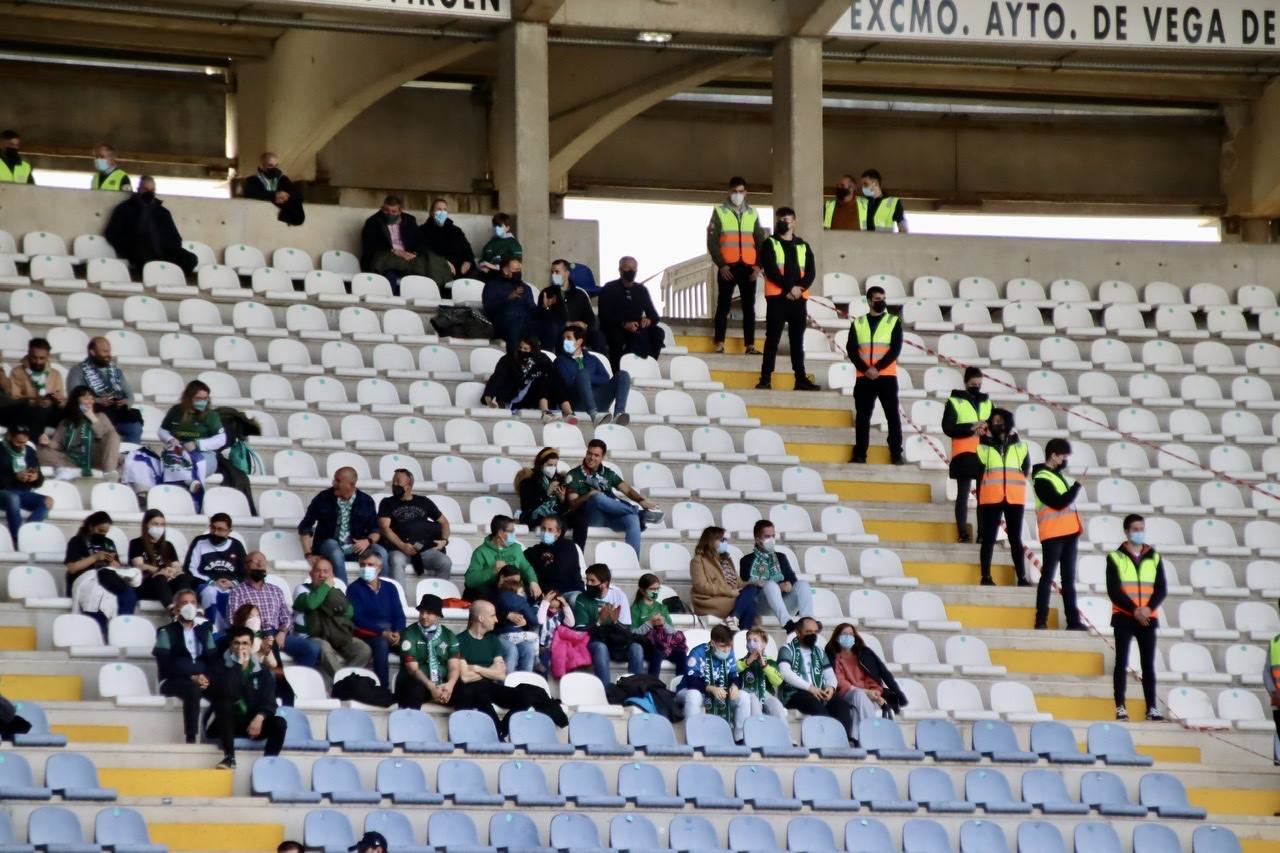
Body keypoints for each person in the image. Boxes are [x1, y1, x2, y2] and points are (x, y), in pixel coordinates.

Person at [452, 600, 567, 733]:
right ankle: (497, 732)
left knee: (532, 692)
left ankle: (503, 728)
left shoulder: (492, 640)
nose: (496, 620)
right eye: (492, 616)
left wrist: (477, 668)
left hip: (489, 687)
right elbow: (465, 676)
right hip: (469, 690)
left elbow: (501, 674)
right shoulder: (459, 640)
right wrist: (490, 671)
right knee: (479, 692)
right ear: (481, 618)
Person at [1107, 514, 1166, 722]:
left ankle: (1151, 707)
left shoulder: (1154, 556)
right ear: (1126, 531)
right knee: (1121, 662)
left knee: (1148, 664)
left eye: (1142, 528)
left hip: (1148, 618)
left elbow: (1161, 588)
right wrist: (1135, 610)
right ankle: (1120, 706)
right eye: (1135, 528)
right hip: (1124, 617)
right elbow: (1114, 590)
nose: (1139, 532)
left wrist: (1148, 609)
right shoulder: (1115, 557)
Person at [756, 206, 819, 392]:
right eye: (780, 219)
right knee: (772, 339)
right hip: (777, 298)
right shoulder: (770, 244)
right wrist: (789, 288)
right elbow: (771, 270)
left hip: (799, 300)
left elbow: (810, 272)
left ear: (794, 222)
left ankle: (800, 379)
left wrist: (800, 289)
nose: (783, 223)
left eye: (787, 219)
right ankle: (765, 379)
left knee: (797, 341)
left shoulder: (803, 245)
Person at [207, 625, 287, 769]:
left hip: (252, 723)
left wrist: (259, 717)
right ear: (231, 645)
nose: (240, 647)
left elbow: (269, 702)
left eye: (245, 643)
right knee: (224, 705)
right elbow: (227, 692)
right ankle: (229, 758)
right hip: (226, 724)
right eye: (236, 643)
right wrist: (238, 667)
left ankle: (268, 765)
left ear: (251, 646)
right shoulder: (220, 667)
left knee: (279, 723)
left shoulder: (262, 671)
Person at [564, 439, 662, 556]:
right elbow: (573, 505)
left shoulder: (608, 473)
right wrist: (588, 495)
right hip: (592, 517)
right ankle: (638, 513)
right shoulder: (574, 474)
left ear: (602, 457)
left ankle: (632, 561)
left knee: (632, 519)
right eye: (589, 453)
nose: (591, 457)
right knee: (598, 497)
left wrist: (641, 500)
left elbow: (627, 490)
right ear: (586, 453)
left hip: (611, 516)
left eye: (596, 455)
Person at [228, 550, 321, 669]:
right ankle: (278, 681)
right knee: (269, 650)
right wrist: (256, 637)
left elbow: (286, 616)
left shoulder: (275, 590)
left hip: (278, 634)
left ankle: (299, 680)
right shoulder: (237, 592)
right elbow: (233, 620)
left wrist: (283, 632)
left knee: (312, 648)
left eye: (262, 562)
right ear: (246, 566)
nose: (260, 565)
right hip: (255, 636)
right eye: (256, 562)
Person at [707, 176, 767, 355]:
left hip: (749, 268)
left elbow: (761, 242)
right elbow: (712, 242)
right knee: (723, 305)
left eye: (741, 191)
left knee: (749, 307)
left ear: (746, 192)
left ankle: (750, 345)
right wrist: (722, 265)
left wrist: (758, 266)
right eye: (734, 191)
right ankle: (719, 343)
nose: (738, 195)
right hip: (728, 267)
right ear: (729, 192)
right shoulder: (719, 212)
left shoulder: (753, 213)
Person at [298, 467, 388, 583]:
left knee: (381, 552)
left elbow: (375, 530)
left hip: (357, 548)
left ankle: (382, 591)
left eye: (338, 481)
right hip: (329, 547)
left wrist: (367, 541)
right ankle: (343, 592)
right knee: (334, 548)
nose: (333, 483)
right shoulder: (323, 498)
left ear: (351, 484)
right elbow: (305, 527)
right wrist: (309, 555)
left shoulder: (366, 501)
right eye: (335, 480)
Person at [153, 588, 218, 744]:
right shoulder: (166, 632)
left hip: (202, 678)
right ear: (176, 608)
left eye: (193, 602)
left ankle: (218, 735)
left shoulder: (204, 631)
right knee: (192, 689)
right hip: (173, 680)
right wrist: (191, 676)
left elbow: (213, 658)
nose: (189, 606)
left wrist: (206, 677)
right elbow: (165, 662)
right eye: (184, 602)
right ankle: (191, 737)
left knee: (226, 688)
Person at [1034, 438, 1086, 631]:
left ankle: (1073, 621)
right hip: (1053, 534)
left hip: (1069, 532)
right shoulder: (1041, 478)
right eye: (1062, 455)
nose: (1064, 459)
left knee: (1068, 580)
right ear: (1053, 455)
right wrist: (1077, 486)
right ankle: (1041, 619)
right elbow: (1059, 502)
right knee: (1048, 577)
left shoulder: (1055, 475)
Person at [292, 558, 373, 681]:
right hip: (311, 637)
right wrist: (325, 588)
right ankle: (342, 684)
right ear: (311, 574)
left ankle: (347, 681)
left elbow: (349, 612)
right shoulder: (301, 589)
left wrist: (326, 598)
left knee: (363, 650)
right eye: (318, 571)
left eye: (326, 571)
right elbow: (311, 604)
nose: (322, 575)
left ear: (332, 575)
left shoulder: (336, 592)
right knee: (324, 647)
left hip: (336, 635)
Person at [849, 284, 904, 464]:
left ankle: (896, 453)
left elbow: (895, 349)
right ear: (869, 301)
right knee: (863, 418)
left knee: (892, 416)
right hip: (864, 378)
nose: (881, 302)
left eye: (883, 299)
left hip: (886, 376)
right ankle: (860, 454)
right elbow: (852, 350)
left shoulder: (893, 321)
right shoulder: (858, 323)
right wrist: (867, 370)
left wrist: (877, 368)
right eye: (877, 299)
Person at [976, 408, 1031, 587]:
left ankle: (1022, 577)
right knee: (989, 538)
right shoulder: (983, 445)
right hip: (991, 498)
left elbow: (1025, 469)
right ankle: (985, 576)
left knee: (1015, 538)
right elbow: (977, 468)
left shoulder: (1021, 446)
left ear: (1007, 423)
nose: (997, 424)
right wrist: (981, 436)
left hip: (1014, 498)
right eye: (994, 421)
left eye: (1000, 421)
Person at [826, 623, 907, 740]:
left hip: (869, 695)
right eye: (844, 634)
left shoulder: (864, 654)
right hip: (845, 694)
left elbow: (875, 676)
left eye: (850, 634)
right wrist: (865, 692)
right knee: (859, 695)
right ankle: (873, 736)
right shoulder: (831, 655)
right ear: (837, 637)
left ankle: (856, 739)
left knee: (856, 711)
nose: (848, 637)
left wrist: (875, 693)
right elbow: (839, 681)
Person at [103, 176, 198, 274]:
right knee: (143, 256)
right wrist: (127, 246)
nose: (149, 193)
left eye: (152, 190)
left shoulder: (162, 212)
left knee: (190, 259)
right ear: (138, 189)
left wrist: (170, 247)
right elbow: (111, 233)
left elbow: (175, 237)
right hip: (137, 250)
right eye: (146, 189)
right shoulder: (124, 209)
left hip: (163, 251)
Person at [778, 617, 853, 737]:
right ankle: (829, 738)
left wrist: (831, 688)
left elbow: (830, 675)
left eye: (815, 632)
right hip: (795, 694)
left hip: (819, 692)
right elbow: (784, 672)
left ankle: (845, 740)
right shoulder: (787, 649)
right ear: (798, 632)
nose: (813, 635)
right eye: (808, 632)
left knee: (842, 706)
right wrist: (810, 688)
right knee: (815, 705)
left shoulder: (819, 651)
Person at [66, 512, 139, 632]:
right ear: (91, 527)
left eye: (105, 532)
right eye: (100, 531)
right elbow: (72, 568)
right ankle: (101, 635)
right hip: (87, 580)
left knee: (129, 595)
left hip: (109, 579)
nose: (103, 535)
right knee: (97, 597)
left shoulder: (108, 543)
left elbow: (117, 566)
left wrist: (112, 562)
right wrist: (94, 558)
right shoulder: (77, 541)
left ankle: (121, 630)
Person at [941, 367, 991, 542]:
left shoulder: (987, 402)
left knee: (983, 497)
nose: (976, 387)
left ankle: (982, 535)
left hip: (984, 453)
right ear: (966, 383)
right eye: (973, 384)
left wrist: (987, 429)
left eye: (979, 384)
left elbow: (997, 427)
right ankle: (962, 533)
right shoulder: (955, 401)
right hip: (963, 452)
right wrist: (971, 427)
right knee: (963, 494)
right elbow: (948, 427)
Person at [573, 563, 645, 685]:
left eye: (592, 581)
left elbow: (627, 631)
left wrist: (615, 622)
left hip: (616, 640)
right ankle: (605, 692)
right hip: (594, 640)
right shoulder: (582, 598)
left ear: (604, 583)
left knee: (636, 648)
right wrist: (599, 621)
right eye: (587, 580)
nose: (588, 584)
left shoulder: (618, 595)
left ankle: (635, 691)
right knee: (601, 648)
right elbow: (581, 633)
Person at [377, 468, 451, 582]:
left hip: (423, 548)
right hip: (399, 549)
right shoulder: (387, 503)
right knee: (396, 560)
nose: (394, 485)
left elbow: (444, 522)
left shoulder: (424, 501)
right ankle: (401, 598)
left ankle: (439, 597)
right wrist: (403, 546)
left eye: (398, 482)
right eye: (393, 482)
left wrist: (444, 541)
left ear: (408, 486)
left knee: (445, 562)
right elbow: (385, 528)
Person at [678, 624, 751, 741]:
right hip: (690, 690)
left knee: (744, 697)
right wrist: (711, 688)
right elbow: (691, 681)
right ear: (712, 643)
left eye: (729, 646)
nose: (727, 650)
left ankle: (740, 738)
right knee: (694, 696)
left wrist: (734, 685)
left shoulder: (729, 652)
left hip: (720, 690)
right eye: (722, 646)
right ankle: (693, 738)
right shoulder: (697, 653)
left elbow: (733, 674)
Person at [66, 336, 144, 444]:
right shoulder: (77, 371)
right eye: (104, 351)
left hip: (116, 415)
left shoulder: (116, 371)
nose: (108, 354)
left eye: (109, 351)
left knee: (134, 427)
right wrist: (98, 400)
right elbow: (74, 396)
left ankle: (130, 458)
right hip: (93, 416)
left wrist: (123, 402)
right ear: (92, 352)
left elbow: (130, 396)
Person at [739, 521, 814, 628]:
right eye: (767, 536)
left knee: (803, 584)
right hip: (762, 607)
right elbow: (749, 587)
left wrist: (789, 584)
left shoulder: (781, 557)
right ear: (757, 539)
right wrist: (778, 587)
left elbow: (792, 578)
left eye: (773, 536)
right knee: (770, 585)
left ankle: (808, 621)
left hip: (783, 605)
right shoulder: (746, 560)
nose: (771, 540)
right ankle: (787, 624)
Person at [346, 552, 404, 689]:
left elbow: (399, 614)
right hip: (369, 633)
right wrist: (382, 632)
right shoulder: (353, 589)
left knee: (409, 643)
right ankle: (382, 689)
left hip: (391, 631)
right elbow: (358, 618)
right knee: (381, 644)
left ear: (379, 567)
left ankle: (404, 687)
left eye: (370, 565)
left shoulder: (390, 587)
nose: (366, 568)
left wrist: (398, 632)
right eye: (362, 565)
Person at [37, 386, 121, 479]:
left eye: (92, 399)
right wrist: (48, 442)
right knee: (42, 450)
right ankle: (69, 468)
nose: (90, 401)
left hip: (96, 456)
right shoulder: (66, 422)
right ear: (76, 401)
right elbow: (59, 445)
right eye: (85, 398)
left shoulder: (100, 416)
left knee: (113, 436)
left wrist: (92, 417)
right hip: (72, 459)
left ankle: (109, 472)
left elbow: (106, 436)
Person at [158, 380, 225, 495]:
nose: (203, 402)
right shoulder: (176, 411)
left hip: (204, 454)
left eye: (205, 398)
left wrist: (197, 444)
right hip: (178, 451)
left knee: (192, 467)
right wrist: (171, 439)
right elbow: (162, 431)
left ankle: (191, 487)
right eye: (199, 399)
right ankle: (189, 481)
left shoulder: (211, 415)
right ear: (189, 397)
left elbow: (221, 439)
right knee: (170, 463)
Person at [598, 256, 664, 372]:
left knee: (658, 333)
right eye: (627, 268)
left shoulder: (641, 290)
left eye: (634, 268)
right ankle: (618, 371)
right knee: (616, 338)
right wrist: (624, 325)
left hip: (637, 327)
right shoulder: (609, 288)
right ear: (620, 270)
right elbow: (604, 315)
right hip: (616, 327)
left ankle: (649, 366)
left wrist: (649, 321)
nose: (631, 271)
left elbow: (654, 315)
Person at [395, 593, 460, 710]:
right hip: (418, 682)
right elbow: (413, 669)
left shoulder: (448, 635)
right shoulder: (409, 633)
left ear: (438, 615)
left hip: (441, 682)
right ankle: (410, 726)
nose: (424, 616)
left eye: (429, 613)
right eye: (422, 612)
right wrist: (432, 687)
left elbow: (454, 667)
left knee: (466, 690)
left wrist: (449, 686)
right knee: (413, 689)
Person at [482, 335, 571, 420]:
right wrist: (489, 395)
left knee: (553, 379)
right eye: (520, 348)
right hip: (515, 397)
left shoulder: (542, 359)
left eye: (526, 349)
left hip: (535, 397)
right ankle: (545, 412)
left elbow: (555, 377)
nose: (522, 351)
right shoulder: (509, 360)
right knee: (541, 379)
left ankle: (568, 412)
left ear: (533, 349)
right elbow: (498, 376)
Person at [557, 327, 631, 427]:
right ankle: (594, 415)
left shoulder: (593, 359)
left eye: (568, 338)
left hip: (598, 399)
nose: (565, 341)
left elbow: (605, 379)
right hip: (577, 401)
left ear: (579, 341)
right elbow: (567, 382)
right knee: (583, 374)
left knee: (623, 375)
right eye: (564, 338)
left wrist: (587, 378)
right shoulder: (560, 361)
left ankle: (619, 414)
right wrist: (583, 377)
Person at [689, 525, 758, 630]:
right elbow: (701, 586)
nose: (724, 542)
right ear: (710, 541)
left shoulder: (726, 560)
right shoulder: (698, 560)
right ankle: (740, 632)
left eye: (725, 539)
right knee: (750, 605)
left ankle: (734, 619)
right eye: (721, 539)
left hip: (730, 597)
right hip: (711, 600)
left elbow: (738, 583)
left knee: (752, 589)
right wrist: (729, 592)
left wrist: (751, 582)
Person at [463, 515, 541, 603]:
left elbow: (526, 567)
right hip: (492, 591)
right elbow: (470, 581)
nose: (514, 534)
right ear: (500, 533)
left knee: (532, 591)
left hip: (513, 588)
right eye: (511, 531)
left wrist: (533, 581)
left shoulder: (516, 548)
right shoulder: (480, 552)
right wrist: (492, 570)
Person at [128, 509, 191, 609]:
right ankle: (173, 611)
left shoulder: (168, 545)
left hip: (167, 583)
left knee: (182, 577)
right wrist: (160, 571)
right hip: (146, 584)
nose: (159, 527)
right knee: (160, 577)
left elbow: (177, 566)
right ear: (146, 525)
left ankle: (188, 608)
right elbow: (139, 565)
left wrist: (172, 571)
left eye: (162, 524)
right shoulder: (136, 543)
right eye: (155, 524)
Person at [631, 573, 687, 678]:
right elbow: (632, 633)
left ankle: (680, 686)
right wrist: (649, 624)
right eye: (652, 589)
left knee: (682, 655)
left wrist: (664, 624)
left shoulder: (662, 607)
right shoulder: (635, 609)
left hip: (664, 645)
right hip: (646, 646)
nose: (655, 592)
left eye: (657, 589)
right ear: (643, 590)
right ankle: (653, 684)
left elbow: (672, 632)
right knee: (657, 652)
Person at [360, 195, 427, 280]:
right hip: (386, 259)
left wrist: (414, 254)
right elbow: (370, 246)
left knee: (418, 275)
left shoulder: (409, 220)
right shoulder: (373, 222)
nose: (389, 214)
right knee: (390, 275)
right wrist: (395, 251)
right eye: (386, 211)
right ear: (381, 208)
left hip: (407, 259)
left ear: (400, 212)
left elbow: (420, 241)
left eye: (394, 211)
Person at [0, 424, 50, 538]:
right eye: (18, 442)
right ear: (9, 437)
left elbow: (39, 479)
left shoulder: (30, 451)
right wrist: (15, 477)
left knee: (48, 501)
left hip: (23, 492)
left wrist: (35, 477)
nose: (22, 446)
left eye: (24, 442)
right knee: (13, 498)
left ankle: (27, 533)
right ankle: (17, 538)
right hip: (3, 491)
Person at [10, 338, 67, 435]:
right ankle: (33, 445)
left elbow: (61, 400)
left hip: (50, 412)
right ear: (28, 353)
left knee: (71, 414)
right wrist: (35, 400)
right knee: (41, 410)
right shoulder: (17, 372)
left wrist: (55, 400)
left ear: (47, 356)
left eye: (42, 358)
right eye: (34, 357)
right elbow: (14, 398)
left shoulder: (55, 374)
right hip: (28, 411)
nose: (38, 362)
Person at [481, 257, 535, 355]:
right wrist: (508, 298)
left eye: (519, 270)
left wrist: (546, 308)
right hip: (503, 322)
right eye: (516, 270)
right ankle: (513, 362)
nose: (518, 272)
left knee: (548, 325)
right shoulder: (492, 286)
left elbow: (532, 309)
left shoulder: (525, 287)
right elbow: (489, 308)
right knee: (514, 324)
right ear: (505, 270)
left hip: (525, 321)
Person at [522, 513, 584, 594]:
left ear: (558, 532)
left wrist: (535, 575)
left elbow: (559, 573)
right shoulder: (532, 551)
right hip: (545, 593)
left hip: (571, 591)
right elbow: (523, 568)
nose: (545, 532)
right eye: (543, 529)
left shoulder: (568, 546)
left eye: (550, 530)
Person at [550, 258, 605, 349]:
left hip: (579, 332)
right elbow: (546, 319)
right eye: (552, 272)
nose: (553, 275)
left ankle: (596, 362)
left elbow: (590, 319)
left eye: (557, 272)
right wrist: (567, 324)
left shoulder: (580, 294)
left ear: (567, 273)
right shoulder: (548, 294)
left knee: (598, 336)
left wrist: (585, 325)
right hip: (560, 332)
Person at [494, 565, 540, 673]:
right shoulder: (492, 593)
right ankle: (506, 684)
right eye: (512, 581)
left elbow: (530, 621)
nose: (516, 583)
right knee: (512, 650)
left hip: (516, 634)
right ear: (502, 578)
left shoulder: (516, 599)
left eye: (517, 581)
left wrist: (525, 622)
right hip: (496, 634)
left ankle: (524, 684)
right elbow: (486, 613)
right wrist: (506, 615)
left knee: (528, 649)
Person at [420, 198, 475, 286]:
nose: (442, 212)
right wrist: (444, 262)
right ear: (431, 212)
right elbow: (424, 251)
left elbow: (467, 249)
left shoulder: (456, 230)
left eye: (444, 210)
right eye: (439, 209)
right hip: (437, 268)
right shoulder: (423, 230)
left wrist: (467, 261)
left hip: (459, 269)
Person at [183, 513, 247, 588]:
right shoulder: (200, 541)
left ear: (229, 531)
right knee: (210, 592)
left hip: (231, 586)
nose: (216, 532)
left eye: (220, 529)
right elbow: (190, 568)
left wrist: (233, 583)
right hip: (205, 584)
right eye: (213, 528)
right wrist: (211, 582)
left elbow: (245, 571)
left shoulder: (237, 545)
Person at [516, 449, 572, 532]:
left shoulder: (560, 479)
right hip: (536, 516)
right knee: (558, 521)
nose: (552, 468)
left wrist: (562, 499)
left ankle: (578, 545)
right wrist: (547, 493)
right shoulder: (529, 480)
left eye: (555, 465)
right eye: (549, 465)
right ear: (541, 464)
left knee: (579, 518)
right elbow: (527, 506)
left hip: (556, 515)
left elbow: (564, 509)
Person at [241, 151, 304, 226]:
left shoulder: (283, 179)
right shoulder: (252, 180)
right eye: (270, 166)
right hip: (257, 220)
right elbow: (249, 194)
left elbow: (297, 194)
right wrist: (274, 195)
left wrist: (285, 196)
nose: (274, 168)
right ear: (261, 166)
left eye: (276, 166)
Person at [738, 626, 786, 720]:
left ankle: (785, 733)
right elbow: (734, 669)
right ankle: (759, 728)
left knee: (776, 704)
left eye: (755, 640)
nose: (751, 643)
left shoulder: (770, 662)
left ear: (764, 644)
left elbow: (778, 681)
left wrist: (764, 666)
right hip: (749, 693)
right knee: (753, 700)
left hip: (765, 694)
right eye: (748, 640)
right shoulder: (742, 661)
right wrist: (747, 662)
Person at [856, 169, 908, 233]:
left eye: (865, 184)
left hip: (884, 242)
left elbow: (902, 225)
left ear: (876, 183)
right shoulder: (860, 202)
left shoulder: (893, 202)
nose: (863, 187)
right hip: (862, 241)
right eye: (862, 185)